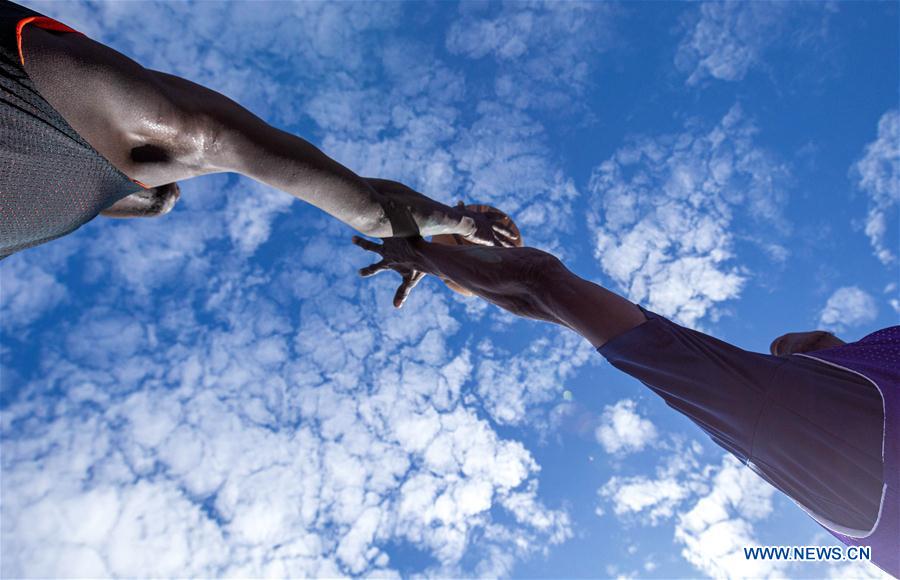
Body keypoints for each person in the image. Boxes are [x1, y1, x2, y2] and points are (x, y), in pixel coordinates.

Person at [353, 235, 899, 577]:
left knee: (549, 286)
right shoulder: (846, 369)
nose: (780, 344)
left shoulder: (796, 392)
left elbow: (541, 282)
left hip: (854, 475)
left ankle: (417, 249)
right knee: (555, 294)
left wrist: (418, 248)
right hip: (867, 510)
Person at [0, 0, 517, 303]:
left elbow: (376, 205)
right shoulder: (176, 132)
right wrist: (458, 231)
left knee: (160, 198)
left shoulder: (148, 159)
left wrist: (446, 230)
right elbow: (375, 211)